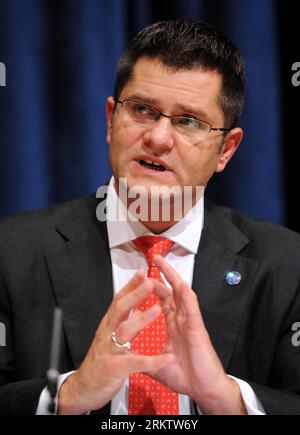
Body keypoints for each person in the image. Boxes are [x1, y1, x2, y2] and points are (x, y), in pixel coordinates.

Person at [0, 19, 300, 415]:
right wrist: (67, 397)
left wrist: (226, 399)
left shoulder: (287, 263)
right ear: (111, 120)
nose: (158, 138)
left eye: (189, 121)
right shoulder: (11, 253)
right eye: (142, 110)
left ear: (226, 149)